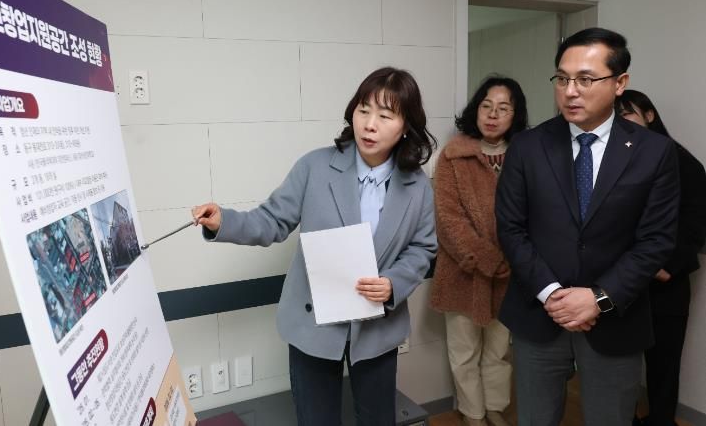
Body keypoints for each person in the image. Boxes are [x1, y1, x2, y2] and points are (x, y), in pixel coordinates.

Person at [192, 67, 438, 426]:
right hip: (314, 323)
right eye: (364, 110)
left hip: (377, 328)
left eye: (385, 116)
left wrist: (393, 284)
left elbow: (422, 249)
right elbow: (272, 220)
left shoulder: (418, 186)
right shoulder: (315, 166)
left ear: (406, 126)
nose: (370, 125)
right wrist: (223, 222)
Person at [495, 27, 680, 426]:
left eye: (585, 79)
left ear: (620, 83)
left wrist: (598, 298)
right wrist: (552, 294)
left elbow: (656, 240)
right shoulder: (528, 146)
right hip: (539, 315)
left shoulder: (654, 152)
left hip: (616, 321)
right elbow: (511, 228)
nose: (570, 91)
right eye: (562, 79)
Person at [429, 76, 528, 426]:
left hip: (511, 274)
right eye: (486, 106)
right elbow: (448, 219)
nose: (492, 115)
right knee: (464, 349)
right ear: (475, 110)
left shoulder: (527, 155)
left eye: (503, 108)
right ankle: (473, 412)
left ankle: (495, 407)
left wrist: (513, 260)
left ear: (515, 115)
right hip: (463, 271)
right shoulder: (453, 155)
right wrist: (487, 258)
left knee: (500, 349)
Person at [616, 90, 706, 426]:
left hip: (665, 282)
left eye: (628, 113)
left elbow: (696, 223)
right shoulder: (613, 161)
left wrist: (667, 267)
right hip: (622, 281)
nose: (622, 122)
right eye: (616, 117)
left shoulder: (683, 163)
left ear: (649, 115)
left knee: (664, 367)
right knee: (619, 365)